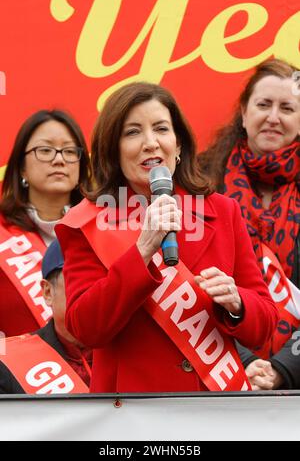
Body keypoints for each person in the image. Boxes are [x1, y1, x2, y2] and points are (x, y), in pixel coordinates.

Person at [56, 81, 278, 393]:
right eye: (133, 132)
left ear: (179, 145)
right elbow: (85, 329)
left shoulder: (222, 211)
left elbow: (266, 324)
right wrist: (142, 251)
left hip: (211, 404)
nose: (151, 143)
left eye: (161, 129)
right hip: (131, 412)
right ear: (113, 149)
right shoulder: (88, 222)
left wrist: (238, 302)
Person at [198, 58, 300, 389]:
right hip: (215, 372)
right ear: (244, 114)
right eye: (263, 104)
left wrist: (282, 368)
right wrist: (246, 362)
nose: (273, 117)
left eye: (287, 107)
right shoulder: (199, 184)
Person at [0, 110, 92, 337]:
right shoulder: (2, 233)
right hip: (21, 369)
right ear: (21, 168)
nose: (59, 159)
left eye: (70, 151)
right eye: (45, 150)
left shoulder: (102, 227)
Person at [0, 239, 92, 394]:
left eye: (104, 279)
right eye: (79, 279)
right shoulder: (7, 361)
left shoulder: (137, 353)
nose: (94, 290)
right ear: (48, 292)